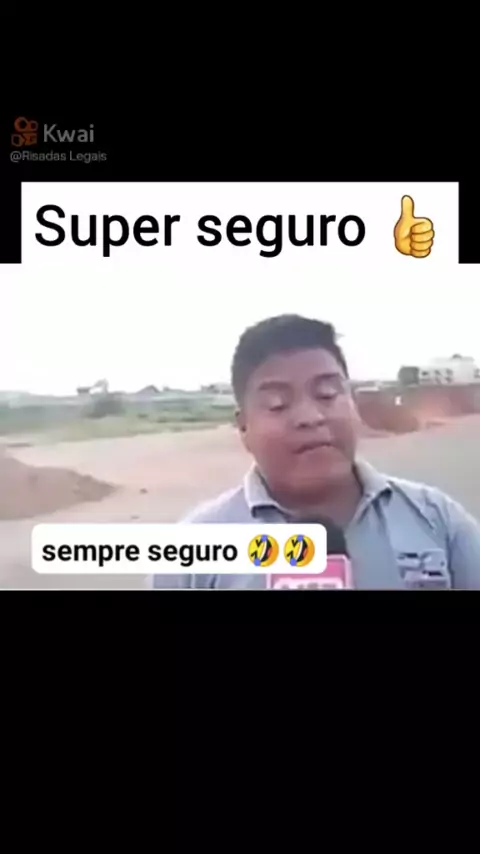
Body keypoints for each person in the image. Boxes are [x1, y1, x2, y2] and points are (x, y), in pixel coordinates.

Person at [151, 314, 480, 589]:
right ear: (243, 428)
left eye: (326, 394)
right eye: (277, 404)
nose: (310, 417)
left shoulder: (439, 519)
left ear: (353, 404)